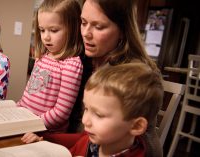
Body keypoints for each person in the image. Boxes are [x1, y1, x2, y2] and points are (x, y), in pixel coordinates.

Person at [69, 0, 163, 156]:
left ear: (122, 30)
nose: (86, 33)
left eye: (98, 26)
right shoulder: (83, 59)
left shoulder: (134, 73)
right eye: (83, 22)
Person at [22, 63, 164, 157]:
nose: (85, 120)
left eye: (99, 115)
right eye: (87, 109)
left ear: (136, 126)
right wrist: (43, 139)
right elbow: (78, 139)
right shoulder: (99, 138)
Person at [17, 0, 83, 132]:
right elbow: (29, 93)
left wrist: (32, 124)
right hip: (25, 124)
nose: (46, 37)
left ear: (73, 29)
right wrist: (17, 108)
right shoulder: (42, 56)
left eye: (53, 30)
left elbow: (61, 113)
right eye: (42, 30)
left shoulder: (71, 65)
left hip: (46, 133)